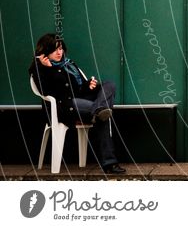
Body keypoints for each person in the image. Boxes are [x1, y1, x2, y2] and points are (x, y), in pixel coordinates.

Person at [28, 33, 126, 174]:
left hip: (82, 101)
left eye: (61, 49)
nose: (59, 52)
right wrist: (49, 68)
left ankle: (98, 110)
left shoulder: (69, 63)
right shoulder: (39, 68)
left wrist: (89, 85)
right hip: (66, 106)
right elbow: (46, 91)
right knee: (103, 115)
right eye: (55, 49)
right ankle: (110, 163)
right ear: (45, 51)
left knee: (109, 85)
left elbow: (78, 88)